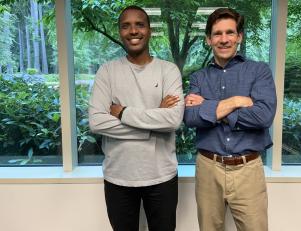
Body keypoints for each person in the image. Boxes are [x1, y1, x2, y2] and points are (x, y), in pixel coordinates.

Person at [88, 5, 184, 231]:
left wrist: (123, 113)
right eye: (126, 26)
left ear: (149, 30)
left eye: (139, 24)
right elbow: (97, 121)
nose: (133, 31)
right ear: (120, 31)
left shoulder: (168, 70)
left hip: (162, 177)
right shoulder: (107, 71)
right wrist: (154, 122)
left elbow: (172, 120)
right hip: (118, 177)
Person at [184, 8, 277, 231]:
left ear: (239, 37)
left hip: (248, 169)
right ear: (208, 39)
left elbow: (263, 116)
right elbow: (190, 117)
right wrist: (236, 100)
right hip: (208, 168)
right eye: (217, 34)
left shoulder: (259, 71)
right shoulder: (198, 77)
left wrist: (208, 106)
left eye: (230, 33)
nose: (224, 39)